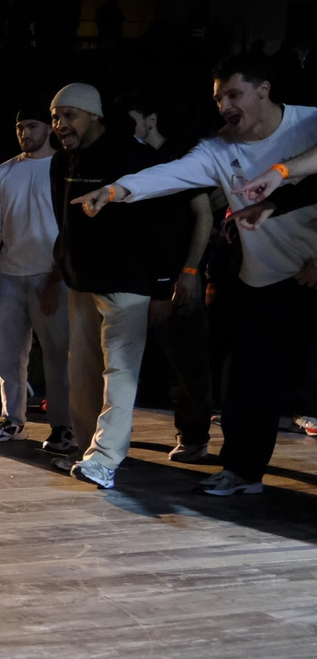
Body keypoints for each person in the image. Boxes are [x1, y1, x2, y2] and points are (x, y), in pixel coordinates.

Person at [82, 54, 317, 495]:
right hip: (266, 278)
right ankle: (243, 472)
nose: (225, 104)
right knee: (248, 380)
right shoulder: (218, 148)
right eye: (218, 98)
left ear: (263, 90)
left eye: (234, 94)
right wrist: (116, 190)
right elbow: (171, 173)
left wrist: (282, 173)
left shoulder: (309, 124)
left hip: (314, 269)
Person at [47, 83, 171, 489]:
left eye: (70, 116)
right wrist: (61, 269)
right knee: (81, 374)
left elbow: (161, 225)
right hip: (81, 283)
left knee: (120, 373)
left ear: (95, 116)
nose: (60, 124)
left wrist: (162, 286)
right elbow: (63, 222)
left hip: (128, 283)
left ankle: (105, 458)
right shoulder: (60, 162)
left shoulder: (133, 156)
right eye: (55, 117)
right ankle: (89, 454)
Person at [119, 92, 216, 462]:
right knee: (133, 358)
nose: (127, 130)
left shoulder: (179, 157)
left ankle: (194, 438)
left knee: (188, 358)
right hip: (140, 275)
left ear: (151, 120)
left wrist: (190, 270)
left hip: (177, 275)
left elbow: (203, 215)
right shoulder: (132, 157)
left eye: (133, 121)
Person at [0, 109, 73, 450]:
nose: (24, 132)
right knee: (7, 356)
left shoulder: (63, 167)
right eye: (19, 127)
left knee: (58, 355)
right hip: (11, 275)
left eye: (31, 126)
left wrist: (56, 277)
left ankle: (64, 427)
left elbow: (70, 228)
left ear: (48, 128)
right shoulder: (4, 172)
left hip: (51, 274)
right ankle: (14, 421)